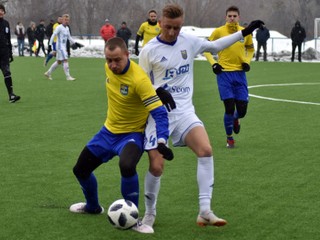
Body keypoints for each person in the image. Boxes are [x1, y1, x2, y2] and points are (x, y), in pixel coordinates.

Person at [138, 3, 262, 231]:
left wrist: (243, 33)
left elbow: (215, 45)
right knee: (157, 167)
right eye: (168, 27)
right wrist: (157, 90)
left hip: (185, 112)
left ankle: (205, 210)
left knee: (205, 151)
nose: (173, 32)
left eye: (177, 27)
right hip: (159, 115)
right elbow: (141, 85)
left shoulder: (189, 41)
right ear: (161, 24)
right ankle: (149, 213)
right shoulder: (149, 50)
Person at [69, 37, 173, 234]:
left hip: (131, 135)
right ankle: (92, 207)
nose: (113, 65)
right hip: (107, 132)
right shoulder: (108, 67)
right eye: (109, 60)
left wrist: (161, 140)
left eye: (117, 60)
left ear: (127, 54)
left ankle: (134, 220)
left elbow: (159, 113)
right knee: (80, 169)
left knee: (126, 165)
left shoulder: (139, 80)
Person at [204, 5, 255, 148]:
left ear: (239, 17)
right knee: (229, 107)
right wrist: (214, 63)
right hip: (224, 74)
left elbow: (251, 49)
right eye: (229, 16)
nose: (232, 18)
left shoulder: (245, 33)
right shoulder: (219, 32)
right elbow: (205, 48)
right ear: (225, 17)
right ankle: (229, 138)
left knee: (242, 111)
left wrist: (246, 61)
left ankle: (236, 119)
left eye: (234, 16)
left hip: (240, 75)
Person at [44, 14, 81, 81]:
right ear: (62, 20)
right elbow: (53, 35)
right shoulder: (59, 27)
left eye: (68, 20)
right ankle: (68, 76)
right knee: (65, 60)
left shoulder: (67, 28)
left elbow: (69, 37)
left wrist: (75, 43)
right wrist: (50, 45)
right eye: (65, 20)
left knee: (59, 62)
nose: (66, 21)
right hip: (60, 47)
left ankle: (48, 73)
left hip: (63, 47)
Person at [0, 4, 20, 103]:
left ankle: (11, 95)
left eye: (2, 10)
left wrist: (10, 53)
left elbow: (8, 39)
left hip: (4, 53)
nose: (0, 12)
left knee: (7, 73)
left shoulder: (6, 23)